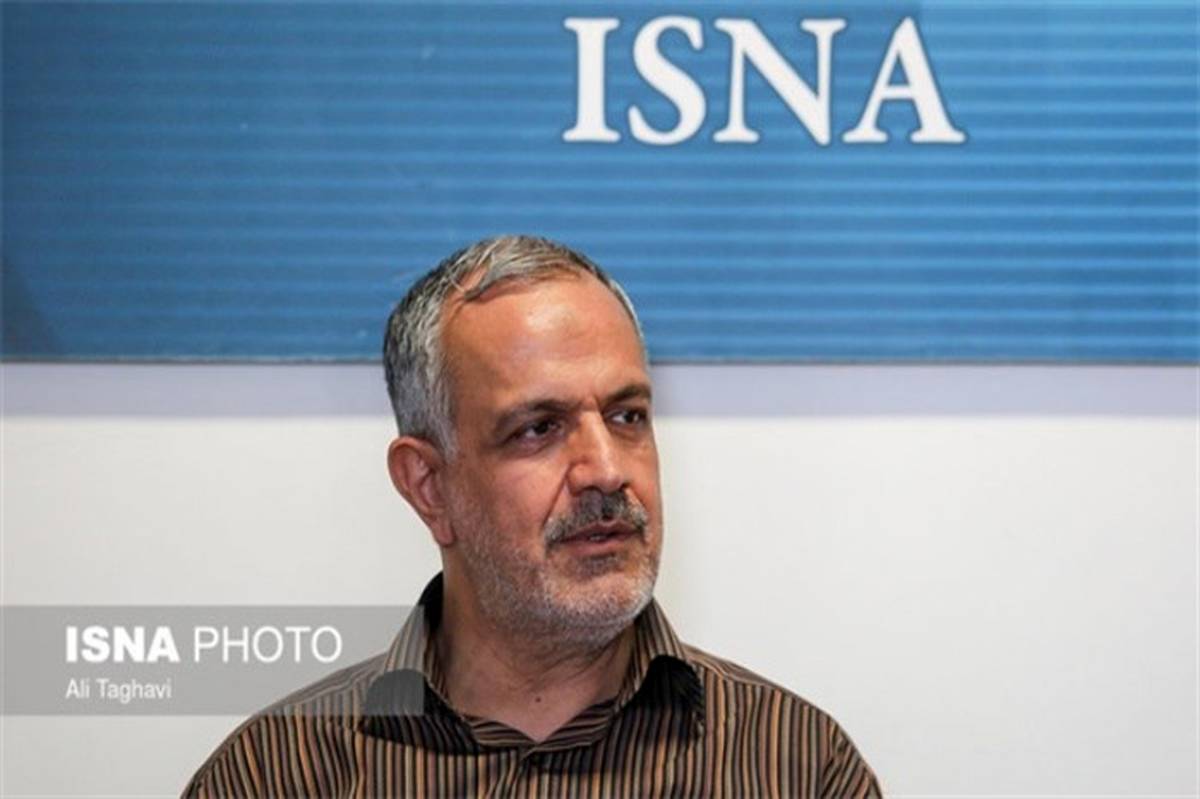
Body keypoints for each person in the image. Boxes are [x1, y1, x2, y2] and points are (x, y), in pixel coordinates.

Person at [183, 235, 882, 797]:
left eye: (627, 416)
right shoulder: (276, 774)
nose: (605, 469)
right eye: (538, 429)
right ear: (429, 486)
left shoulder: (795, 766)